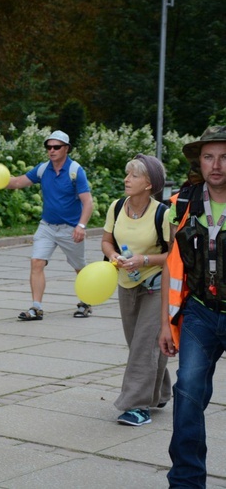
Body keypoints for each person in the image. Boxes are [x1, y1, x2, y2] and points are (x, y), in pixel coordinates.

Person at [160, 126, 226, 487]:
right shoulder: (183, 203)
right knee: (187, 393)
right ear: (198, 161)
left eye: (225, 156)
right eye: (208, 156)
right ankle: (186, 481)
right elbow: (173, 267)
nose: (216, 165)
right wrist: (164, 324)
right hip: (199, 312)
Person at [100, 154, 171, 427]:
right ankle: (162, 391)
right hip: (126, 283)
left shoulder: (163, 213)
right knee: (140, 344)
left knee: (144, 345)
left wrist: (145, 259)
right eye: (127, 174)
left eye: (134, 175)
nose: (127, 179)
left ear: (149, 183)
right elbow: (106, 242)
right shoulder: (117, 207)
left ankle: (138, 406)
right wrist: (114, 256)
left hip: (156, 286)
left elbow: (176, 254)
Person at [6, 130, 94, 320]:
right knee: (36, 262)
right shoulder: (42, 169)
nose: (51, 151)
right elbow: (17, 182)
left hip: (70, 229)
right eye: (49, 147)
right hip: (47, 226)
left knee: (80, 268)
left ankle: (85, 302)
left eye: (56, 147)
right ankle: (36, 308)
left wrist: (81, 226)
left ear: (66, 149)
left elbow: (88, 202)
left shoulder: (75, 171)